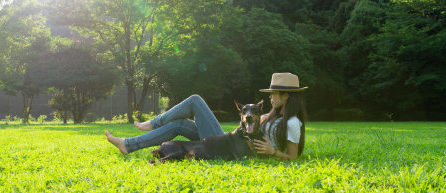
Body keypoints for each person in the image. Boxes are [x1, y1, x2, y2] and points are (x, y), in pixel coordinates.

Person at [105, 72, 307, 160]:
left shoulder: (292, 123)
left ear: (286, 95)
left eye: (273, 94)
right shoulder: (271, 116)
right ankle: (128, 144)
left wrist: (273, 152)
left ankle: (153, 123)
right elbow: (247, 128)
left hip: (228, 144)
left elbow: (292, 156)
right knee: (180, 124)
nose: (270, 98)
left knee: (195, 100)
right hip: (229, 138)